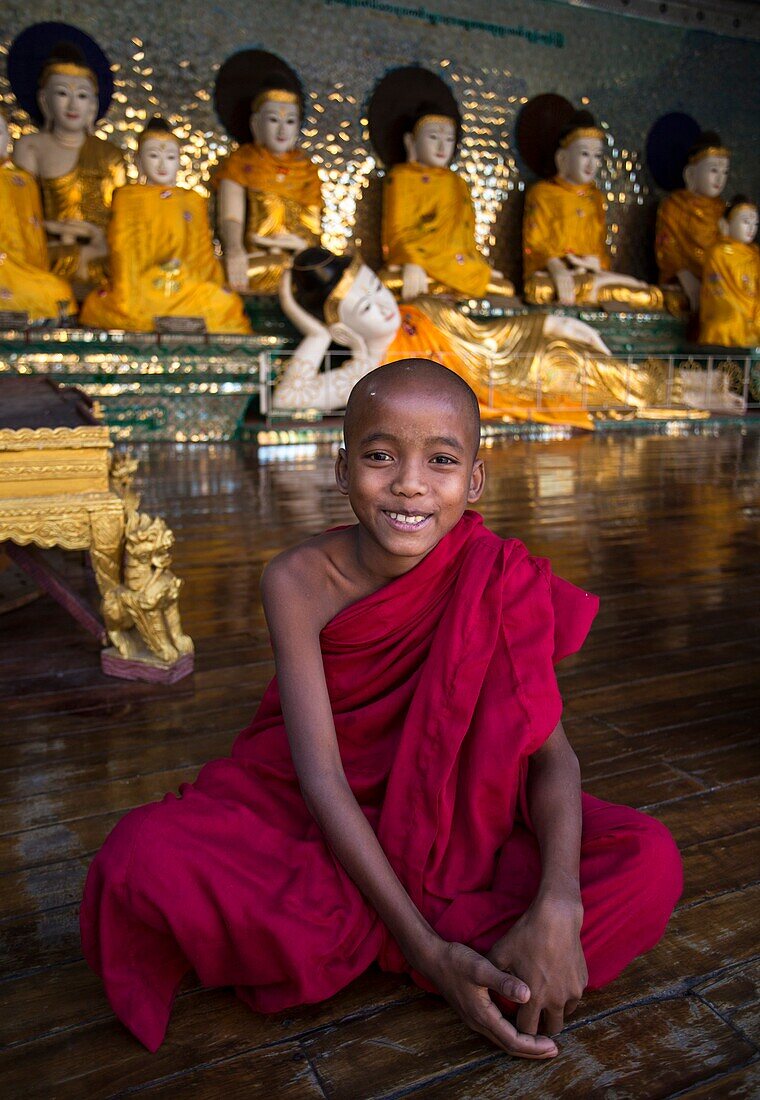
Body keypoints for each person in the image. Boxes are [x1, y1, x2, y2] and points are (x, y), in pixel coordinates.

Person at [81, 360, 683, 1056]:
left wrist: (559, 900)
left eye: (442, 460)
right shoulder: (297, 581)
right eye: (379, 456)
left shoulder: (498, 575)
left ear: (475, 480)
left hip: (468, 828)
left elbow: (555, 757)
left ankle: (432, 942)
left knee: (650, 861)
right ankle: (458, 957)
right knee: (140, 859)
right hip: (324, 823)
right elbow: (322, 781)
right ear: (342, 470)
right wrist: (426, 949)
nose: (409, 482)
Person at [80, 117, 251, 334]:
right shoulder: (128, 197)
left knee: (225, 303)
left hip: (188, 283)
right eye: (153, 155)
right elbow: (123, 249)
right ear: (138, 161)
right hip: (140, 281)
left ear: (179, 161)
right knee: (113, 305)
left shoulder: (192, 200)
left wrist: (196, 278)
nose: (162, 164)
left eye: (170, 157)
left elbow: (201, 255)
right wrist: (134, 283)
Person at [0, 108, 77, 324]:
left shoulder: (21, 181)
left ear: (8, 138)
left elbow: (32, 236)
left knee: (57, 291)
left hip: (20, 271)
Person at [699, 195, 759, 348]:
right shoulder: (718, 252)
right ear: (726, 224)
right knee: (730, 320)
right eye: (746, 222)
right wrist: (743, 312)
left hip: (754, 309)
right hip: (728, 310)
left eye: (755, 223)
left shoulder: (755, 254)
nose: (752, 228)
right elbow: (717, 289)